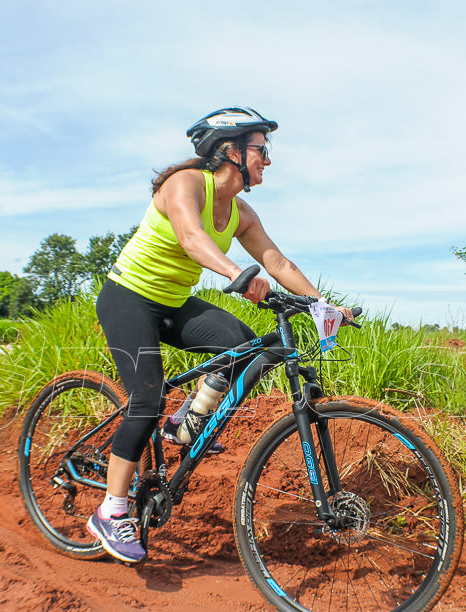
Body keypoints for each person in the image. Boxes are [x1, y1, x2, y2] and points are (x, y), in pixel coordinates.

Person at [88, 107, 353, 562]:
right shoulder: (185, 184)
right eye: (261, 150)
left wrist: (320, 303)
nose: (267, 159)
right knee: (146, 400)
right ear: (229, 151)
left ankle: (183, 423)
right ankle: (111, 512)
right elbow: (192, 239)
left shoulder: (242, 212)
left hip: (172, 303)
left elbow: (279, 262)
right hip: (128, 296)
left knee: (243, 347)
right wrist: (237, 273)